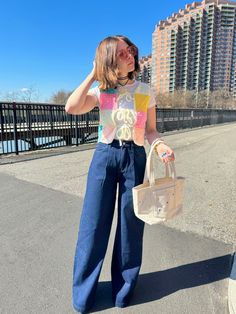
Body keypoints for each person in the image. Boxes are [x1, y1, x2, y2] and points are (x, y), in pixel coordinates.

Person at [65, 35, 175, 313]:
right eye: (123, 52)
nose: (130, 55)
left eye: (131, 51)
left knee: (130, 227)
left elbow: (150, 130)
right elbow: (71, 107)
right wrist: (93, 72)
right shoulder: (101, 92)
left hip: (135, 158)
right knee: (93, 224)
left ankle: (123, 290)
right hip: (104, 156)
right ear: (110, 60)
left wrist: (160, 146)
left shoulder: (145, 91)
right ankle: (83, 296)